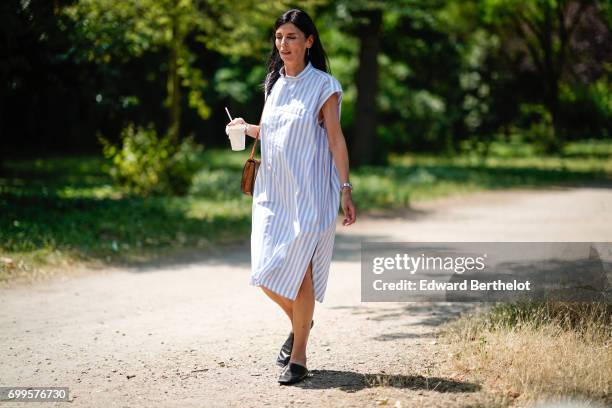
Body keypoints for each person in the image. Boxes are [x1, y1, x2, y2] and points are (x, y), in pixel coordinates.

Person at [226, 8, 356, 385]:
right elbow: (274, 132)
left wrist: (345, 189)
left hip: (311, 193)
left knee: (300, 276)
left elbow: (335, 139)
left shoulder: (324, 85)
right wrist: (245, 127)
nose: (283, 44)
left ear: (309, 41)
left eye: (292, 37)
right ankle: (302, 320)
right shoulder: (275, 83)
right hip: (272, 191)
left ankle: (298, 357)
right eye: (279, 37)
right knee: (264, 271)